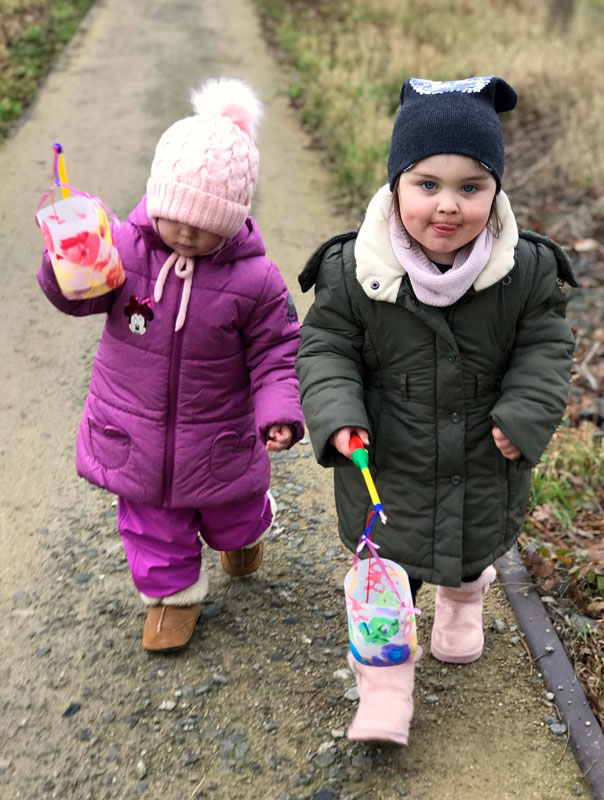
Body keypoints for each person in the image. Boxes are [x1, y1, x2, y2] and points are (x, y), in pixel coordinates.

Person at [295, 76, 576, 745]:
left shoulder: (525, 270)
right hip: (384, 459)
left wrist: (526, 411)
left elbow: (545, 346)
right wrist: (337, 412)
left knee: (472, 543)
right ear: (396, 184)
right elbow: (326, 345)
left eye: (471, 187)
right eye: (427, 184)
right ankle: (385, 693)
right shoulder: (354, 268)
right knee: (385, 582)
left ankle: (461, 602)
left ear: (495, 192)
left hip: (482, 452)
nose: (447, 206)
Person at [37, 78, 304, 653]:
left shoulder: (256, 281)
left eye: (204, 222)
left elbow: (277, 350)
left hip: (219, 438)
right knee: (150, 524)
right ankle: (173, 597)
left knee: (232, 515)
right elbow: (79, 298)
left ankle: (247, 531)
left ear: (233, 217)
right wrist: (67, 263)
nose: (185, 230)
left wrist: (280, 409)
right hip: (133, 431)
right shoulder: (124, 248)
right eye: (174, 215)